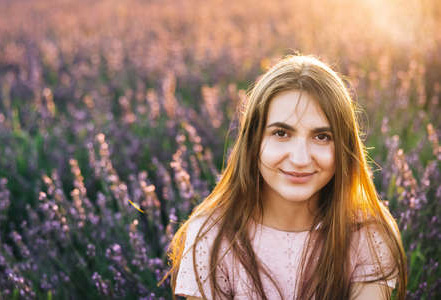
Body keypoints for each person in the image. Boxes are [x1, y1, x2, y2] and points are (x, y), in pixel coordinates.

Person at [162, 55, 407, 299]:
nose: (300, 159)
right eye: (281, 133)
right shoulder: (212, 236)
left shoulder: (367, 234)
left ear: (344, 147)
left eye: (322, 136)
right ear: (253, 141)